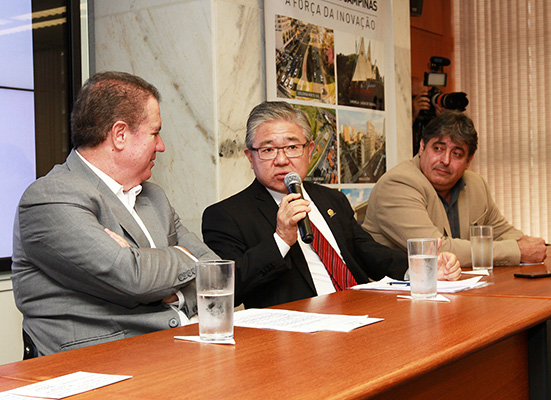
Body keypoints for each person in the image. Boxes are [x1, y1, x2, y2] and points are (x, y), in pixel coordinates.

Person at [11, 71, 219, 357]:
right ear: (120, 135)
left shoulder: (153, 196)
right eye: (155, 132)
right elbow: (131, 277)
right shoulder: (51, 197)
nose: (161, 145)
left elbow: (217, 270)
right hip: (97, 363)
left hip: (172, 351)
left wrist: (173, 290)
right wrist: (186, 257)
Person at [202, 101, 460, 309]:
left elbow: (366, 251)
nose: (281, 160)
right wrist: (280, 239)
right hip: (298, 337)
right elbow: (227, 291)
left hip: (362, 312)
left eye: (292, 147)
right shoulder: (226, 216)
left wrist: (421, 267)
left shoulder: (330, 199)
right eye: (268, 150)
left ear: (310, 150)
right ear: (250, 156)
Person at [363, 110, 546, 267]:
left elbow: (503, 232)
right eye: (438, 148)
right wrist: (517, 251)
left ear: (469, 161)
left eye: (457, 154)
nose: (445, 160)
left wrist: (541, 248)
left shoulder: (476, 184)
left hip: (457, 290)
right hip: (397, 295)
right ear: (422, 147)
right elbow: (436, 250)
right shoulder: (397, 184)